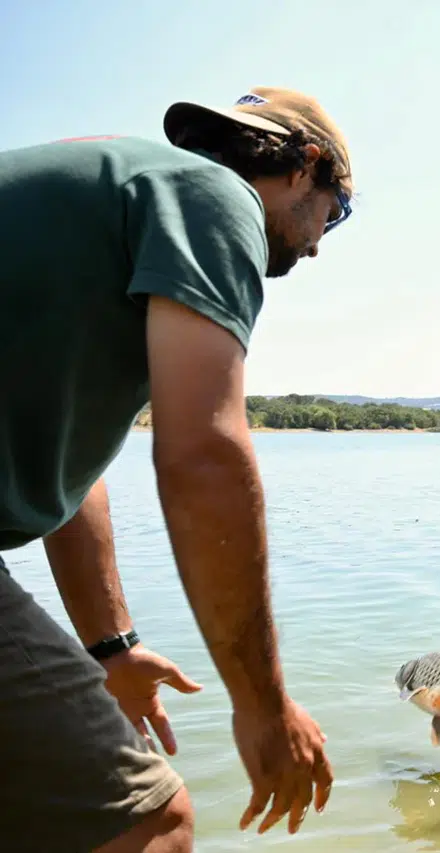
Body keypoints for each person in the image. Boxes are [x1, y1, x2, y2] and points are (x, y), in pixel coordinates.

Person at [0, 86, 353, 852]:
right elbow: (205, 453)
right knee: (147, 823)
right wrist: (262, 705)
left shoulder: (111, 202)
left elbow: (72, 472)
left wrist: (111, 647)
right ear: (306, 167)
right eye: (336, 211)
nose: (322, 242)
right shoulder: (212, 195)